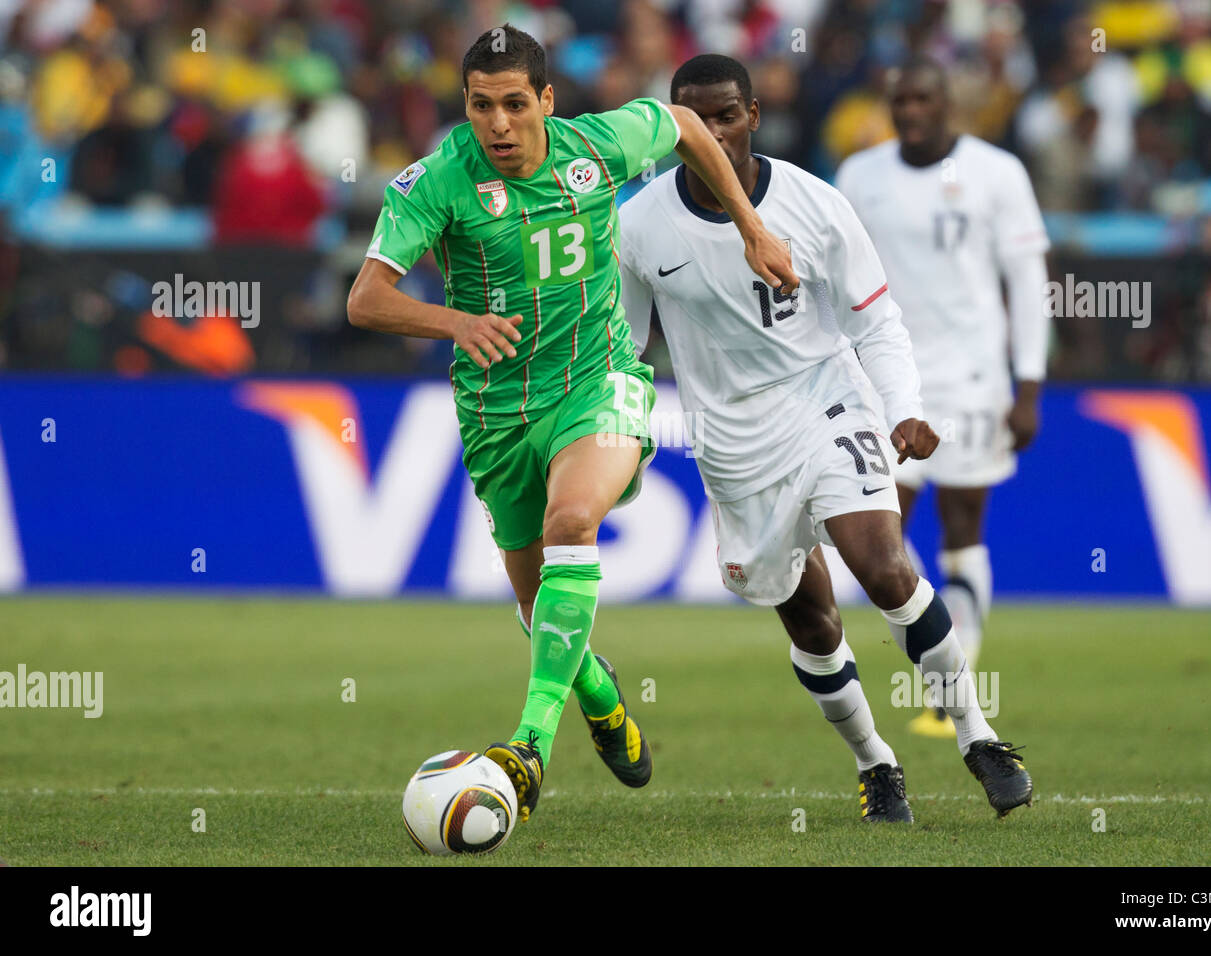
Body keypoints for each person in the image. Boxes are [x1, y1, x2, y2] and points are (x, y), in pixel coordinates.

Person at [346, 26, 797, 823]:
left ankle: (528, 747)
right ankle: (596, 691)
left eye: (516, 104)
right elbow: (366, 299)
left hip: (600, 381)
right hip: (495, 413)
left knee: (573, 520)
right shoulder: (435, 183)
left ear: (547, 101)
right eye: (481, 106)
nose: (498, 125)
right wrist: (454, 322)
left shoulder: (596, 146)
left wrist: (749, 227)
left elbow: (687, 126)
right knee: (534, 603)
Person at [619, 54, 1033, 821]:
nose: (709, 132)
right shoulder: (638, 224)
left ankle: (978, 735)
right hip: (731, 440)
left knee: (883, 568)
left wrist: (903, 406)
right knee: (811, 620)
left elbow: (874, 320)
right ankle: (877, 762)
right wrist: (619, 430)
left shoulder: (815, 204)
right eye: (690, 120)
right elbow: (626, 348)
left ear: (753, 117)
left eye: (725, 116)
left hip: (827, 400)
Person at [837, 57, 1050, 739]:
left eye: (925, 98)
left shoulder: (997, 173)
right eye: (901, 100)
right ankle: (943, 658)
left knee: (963, 531)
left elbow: (1028, 284)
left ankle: (952, 684)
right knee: (879, 535)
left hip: (975, 382)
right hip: (887, 379)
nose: (911, 111)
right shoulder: (860, 176)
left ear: (949, 103)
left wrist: (1030, 386)